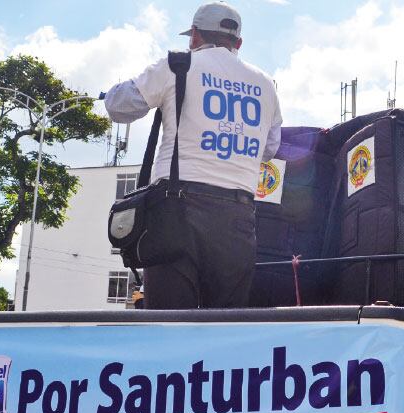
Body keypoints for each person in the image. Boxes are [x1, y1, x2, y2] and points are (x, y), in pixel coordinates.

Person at [105, 2, 283, 309]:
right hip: (238, 217)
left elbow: (119, 106)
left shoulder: (178, 65)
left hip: (177, 211)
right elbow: (270, 147)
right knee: (226, 323)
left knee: (169, 322)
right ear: (238, 43)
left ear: (195, 37)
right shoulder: (265, 84)